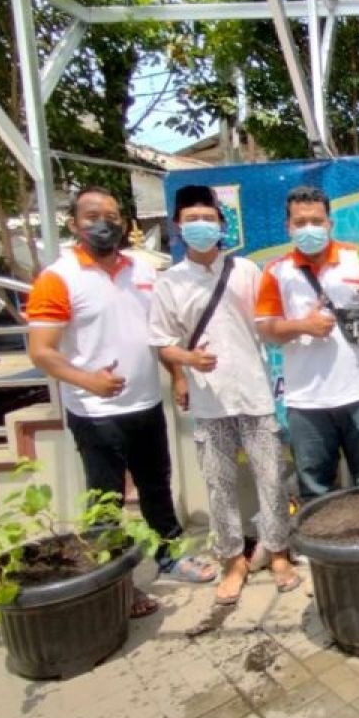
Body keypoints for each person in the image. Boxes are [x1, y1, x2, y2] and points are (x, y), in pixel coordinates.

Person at [26, 186, 215, 619]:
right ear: (73, 224)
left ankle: (169, 555)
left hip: (146, 404)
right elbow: (42, 350)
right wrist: (86, 381)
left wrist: (177, 376)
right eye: (92, 215)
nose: (103, 223)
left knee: (156, 486)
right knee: (105, 500)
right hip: (95, 414)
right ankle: (117, 582)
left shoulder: (143, 273)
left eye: (112, 215)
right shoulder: (58, 278)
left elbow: (161, 337)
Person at [148, 185, 300, 606]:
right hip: (209, 403)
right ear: (178, 227)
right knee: (220, 486)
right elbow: (162, 344)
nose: (201, 227)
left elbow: (268, 327)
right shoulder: (170, 283)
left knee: (271, 480)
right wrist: (185, 364)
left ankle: (279, 555)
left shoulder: (247, 273)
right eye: (191, 220)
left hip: (254, 395)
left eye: (208, 219)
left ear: (221, 224)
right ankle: (233, 561)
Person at [255, 185, 359, 501]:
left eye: (316, 221)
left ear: (330, 223)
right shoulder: (277, 271)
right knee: (315, 491)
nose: (309, 229)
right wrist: (302, 325)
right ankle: (320, 552)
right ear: (288, 227)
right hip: (306, 402)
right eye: (300, 222)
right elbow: (266, 330)